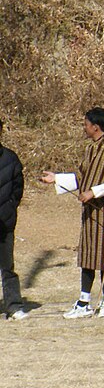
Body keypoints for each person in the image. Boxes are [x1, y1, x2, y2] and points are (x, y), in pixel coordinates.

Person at [40, 108, 104, 319]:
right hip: (91, 214)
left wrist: (93, 192)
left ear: (95, 127)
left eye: (86, 124)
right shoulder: (91, 149)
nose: (84, 127)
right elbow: (82, 177)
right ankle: (84, 301)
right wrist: (57, 179)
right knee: (89, 256)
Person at [0, 118, 26, 320]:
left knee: (7, 267)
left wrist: (8, 209)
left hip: (5, 223)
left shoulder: (11, 159)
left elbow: (18, 191)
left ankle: (14, 305)